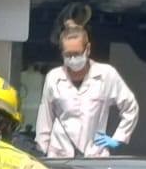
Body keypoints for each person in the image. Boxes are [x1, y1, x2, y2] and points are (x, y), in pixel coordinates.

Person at [35, 20, 139, 158]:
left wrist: (118, 138)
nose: (73, 59)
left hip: (95, 155)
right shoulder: (53, 77)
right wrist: (41, 152)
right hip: (59, 157)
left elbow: (130, 107)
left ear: (88, 49)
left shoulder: (106, 75)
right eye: (68, 55)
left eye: (77, 54)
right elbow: (45, 119)